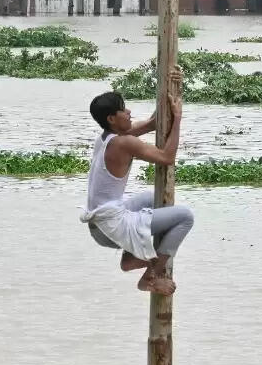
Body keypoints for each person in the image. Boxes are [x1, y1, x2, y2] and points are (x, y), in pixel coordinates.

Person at [81, 74, 195, 296]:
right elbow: (166, 157)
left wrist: (173, 84)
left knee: (153, 198)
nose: (129, 112)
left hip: (99, 224)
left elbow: (153, 123)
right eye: (123, 110)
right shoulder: (124, 143)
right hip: (110, 228)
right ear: (112, 118)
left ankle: (131, 258)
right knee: (185, 217)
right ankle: (152, 275)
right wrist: (178, 119)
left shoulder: (106, 138)